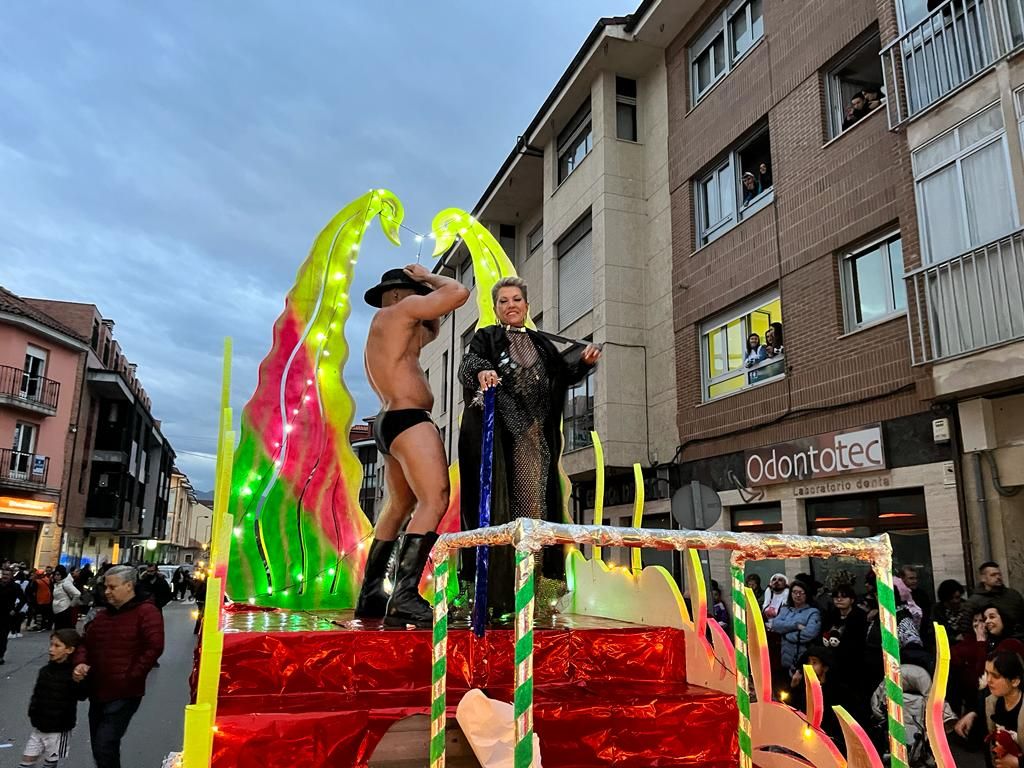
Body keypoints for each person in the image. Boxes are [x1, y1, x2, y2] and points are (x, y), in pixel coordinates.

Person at [457, 276, 601, 620]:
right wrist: (483, 372)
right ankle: (497, 596)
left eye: (516, 299)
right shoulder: (486, 338)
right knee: (499, 514)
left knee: (538, 513)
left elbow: (563, 374)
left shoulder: (542, 344)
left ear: (526, 305)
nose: (511, 305)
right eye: (504, 300)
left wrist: (584, 363)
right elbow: (468, 365)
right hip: (503, 447)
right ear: (495, 308)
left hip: (538, 444)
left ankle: (535, 593)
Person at [355, 264, 470, 628]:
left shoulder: (388, 329)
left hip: (388, 422)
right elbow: (457, 294)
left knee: (400, 505)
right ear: (395, 294)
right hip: (408, 419)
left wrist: (427, 299)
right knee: (434, 498)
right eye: (412, 292)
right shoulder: (399, 311)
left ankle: (372, 593)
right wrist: (430, 279)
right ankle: (404, 595)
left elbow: (432, 330)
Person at [73, 565, 164, 768]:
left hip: (124, 692)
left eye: (112, 587)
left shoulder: (146, 612)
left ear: (128, 586)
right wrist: (80, 663)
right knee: (100, 745)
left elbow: (154, 646)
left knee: (105, 743)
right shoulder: (103, 615)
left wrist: (133, 675)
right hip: (98, 689)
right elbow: (85, 643)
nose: (107, 592)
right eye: (106, 587)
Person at [19, 628, 87, 768]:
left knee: (50, 764)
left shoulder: (72, 674)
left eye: (57, 646)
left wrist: (79, 680)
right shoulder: (44, 671)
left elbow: (81, 696)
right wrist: (33, 713)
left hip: (58, 730)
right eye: (51, 645)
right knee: (26, 762)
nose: (51, 649)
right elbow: (36, 695)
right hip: (39, 727)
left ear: (69, 650)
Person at [954, 650, 1024, 767]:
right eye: (987, 673)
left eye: (996, 676)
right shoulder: (991, 701)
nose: (989, 680)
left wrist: (1018, 763)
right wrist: (972, 713)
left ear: (1015, 681)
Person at [821, 583, 869, 718]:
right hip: (832, 663)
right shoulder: (831, 615)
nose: (839, 600)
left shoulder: (859, 616)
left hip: (853, 664)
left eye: (843, 597)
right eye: (836, 597)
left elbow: (858, 641)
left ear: (852, 600)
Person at [788, 645, 843, 746]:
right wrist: (793, 687)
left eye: (814, 662)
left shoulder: (834, 691)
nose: (810, 666)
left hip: (825, 741)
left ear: (825, 667)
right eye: (808, 662)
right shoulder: (802, 687)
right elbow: (793, 710)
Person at [772, 580, 822, 674]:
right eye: (795, 592)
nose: (797, 595)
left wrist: (786, 634)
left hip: (802, 660)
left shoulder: (813, 612)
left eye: (801, 593)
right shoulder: (785, 609)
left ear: (806, 594)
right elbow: (775, 625)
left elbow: (809, 633)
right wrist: (795, 626)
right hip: (784, 660)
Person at [972, 562, 1024, 630]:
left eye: (999, 574)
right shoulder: (975, 600)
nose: (998, 577)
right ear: (983, 578)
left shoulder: (1013, 595)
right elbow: (967, 626)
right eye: (993, 575)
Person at [935, 579, 974, 644]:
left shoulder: (967, 608)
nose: (956, 601)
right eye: (952, 598)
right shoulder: (937, 611)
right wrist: (952, 639)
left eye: (958, 597)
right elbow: (933, 633)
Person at [1, 567, 26, 664]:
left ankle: (0, 656)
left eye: (7, 575)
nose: (5, 576)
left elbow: (23, 599)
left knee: (2, 637)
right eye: (3, 574)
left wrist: (15, 610)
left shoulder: (15, 586)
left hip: (6, 615)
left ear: (11, 576)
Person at [51, 566, 81, 631]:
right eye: (55, 574)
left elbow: (77, 593)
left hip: (64, 611)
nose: (56, 576)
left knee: (63, 632)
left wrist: (71, 605)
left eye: (58, 574)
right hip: (58, 611)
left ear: (62, 574)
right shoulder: (57, 584)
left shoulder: (65, 583)